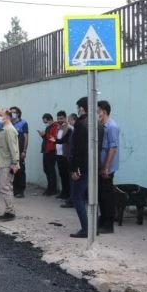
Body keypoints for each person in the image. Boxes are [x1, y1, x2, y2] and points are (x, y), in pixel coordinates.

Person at [68, 97, 90, 238]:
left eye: (79, 107)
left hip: (82, 167)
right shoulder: (95, 123)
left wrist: (75, 169)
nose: (78, 110)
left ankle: (86, 228)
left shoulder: (81, 124)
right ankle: (92, 227)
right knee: (89, 198)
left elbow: (78, 149)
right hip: (91, 166)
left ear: (82, 108)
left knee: (77, 197)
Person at [98, 100, 120, 234]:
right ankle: (103, 220)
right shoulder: (102, 125)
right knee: (101, 195)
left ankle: (108, 224)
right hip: (101, 167)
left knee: (107, 196)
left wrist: (106, 167)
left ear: (103, 111)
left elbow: (113, 148)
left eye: (97, 111)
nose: (96, 113)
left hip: (107, 168)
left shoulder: (112, 127)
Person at [0, 109, 20, 221]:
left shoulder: (9, 130)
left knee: (6, 188)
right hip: (3, 162)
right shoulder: (4, 129)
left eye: (1, 115)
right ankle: (9, 210)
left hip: (7, 163)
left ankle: (10, 212)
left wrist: (15, 163)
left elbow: (13, 148)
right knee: (5, 188)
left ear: (7, 117)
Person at [9, 106, 29, 198]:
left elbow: (25, 137)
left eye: (14, 112)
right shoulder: (9, 123)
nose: (12, 114)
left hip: (19, 150)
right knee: (12, 170)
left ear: (18, 113)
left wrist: (24, 150)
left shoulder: (23, 123)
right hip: (10, 151)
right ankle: (14, 189)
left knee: (20, 170)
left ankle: (20, 191)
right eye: (11, 112)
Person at [38, 113, 59, 196]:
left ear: (49, 119)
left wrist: (45, 135)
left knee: (51, 171)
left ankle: (52, 189)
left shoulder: (55, 126)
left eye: (45, 121)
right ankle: (49, 187)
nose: (45, 123)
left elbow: (54, 139)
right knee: (46, 170)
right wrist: (42, 135)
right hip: (46, 151)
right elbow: (47, 138)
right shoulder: (48, 127)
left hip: (51, 151)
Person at [53, 110, 72, 202]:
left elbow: (63, 141)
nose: (59, 120)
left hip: (65, 155)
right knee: (61, 174)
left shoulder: (68, 128)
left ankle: (68, 193)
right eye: (58, 118)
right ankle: (63, 192)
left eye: (61, 118)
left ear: (65, 118)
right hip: (58, 154)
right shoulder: (58, 128)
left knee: (66, 175)